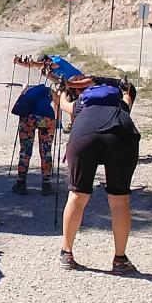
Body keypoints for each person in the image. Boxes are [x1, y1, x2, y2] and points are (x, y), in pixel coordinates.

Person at [56, 79, 140, 273]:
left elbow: (63, 104)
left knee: (77, 196)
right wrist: (122, 84)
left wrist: (62, 90)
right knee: (119, 200)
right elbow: (129, 93)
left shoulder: (82, 104)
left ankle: (66, 253)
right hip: (121, 135)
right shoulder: (121, 103)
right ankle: (120, 259)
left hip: (84, 137)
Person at [10, 84, 58, 196]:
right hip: (47, 118)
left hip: (28, 118)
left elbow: (20, 104)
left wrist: (23, 89)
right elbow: (58, 102)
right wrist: (57, 120)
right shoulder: (49, 90)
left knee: (25, 150)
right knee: (46, 150)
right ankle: (46, 184)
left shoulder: (27, 90)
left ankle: (21, 183)